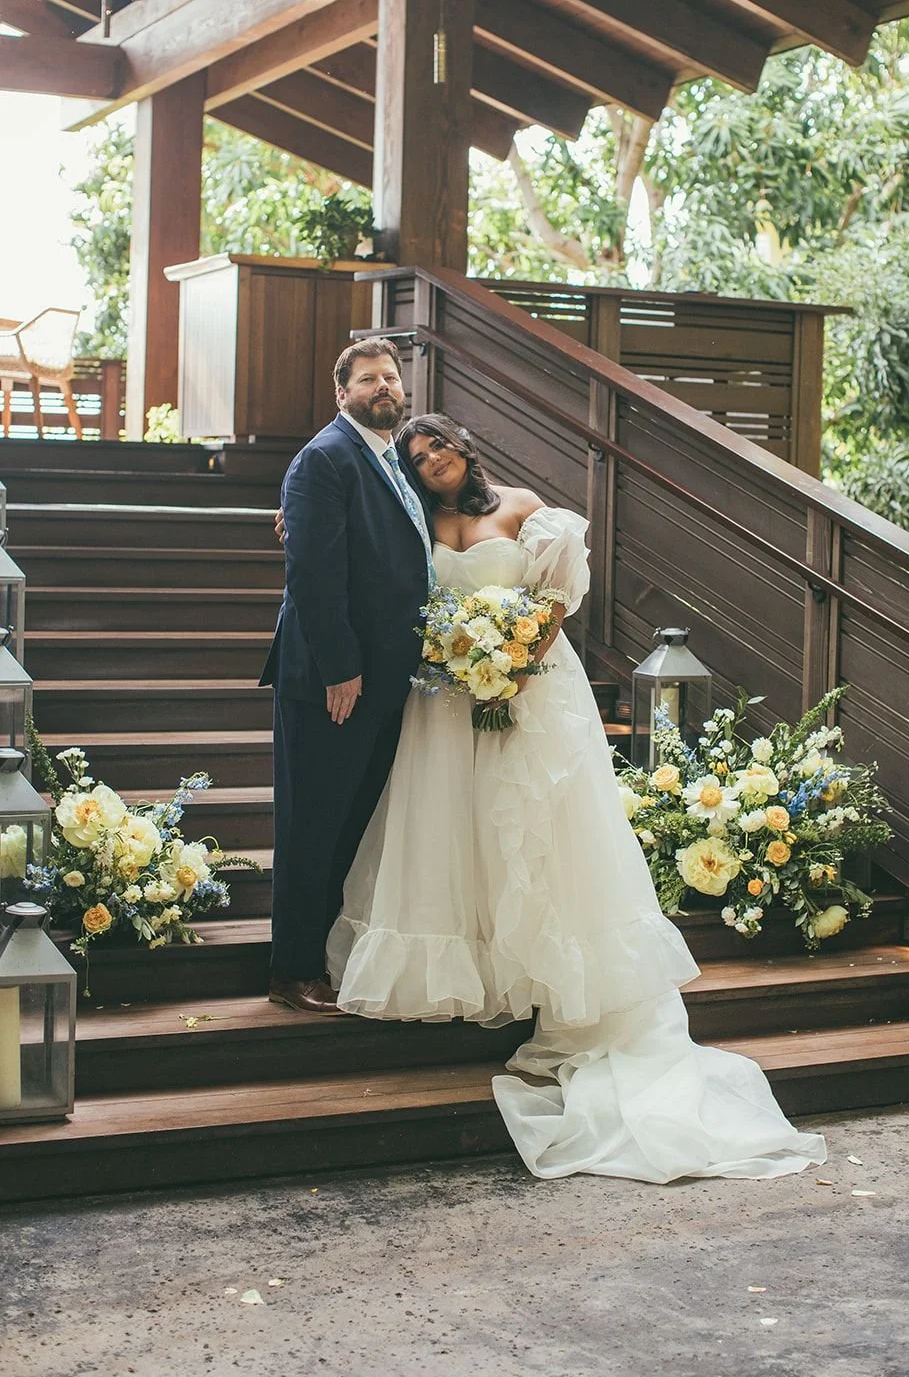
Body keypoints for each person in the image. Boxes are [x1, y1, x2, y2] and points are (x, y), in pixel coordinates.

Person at [326, 413, 827, 1184]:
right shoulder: (408, 522)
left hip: (530, 692)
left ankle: (561, 978)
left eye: (441, 447)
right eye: (417, 456)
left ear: (466, 447)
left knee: (538, 830)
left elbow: (555, 598)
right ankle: (479, 965)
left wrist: (514, 663)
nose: (433, 462)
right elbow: (374, 570)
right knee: (450, 828)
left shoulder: (525, 508)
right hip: (445, 701)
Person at [261, 339, 433, 1013]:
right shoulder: (324, 458)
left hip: (385, 681)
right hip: (332, 681)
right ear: (342, 394)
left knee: (352, 824)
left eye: (390, 376)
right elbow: (313, 574)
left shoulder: (397, 462)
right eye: (367, 379)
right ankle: (291, 970)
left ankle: (325, 958)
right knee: (312, 825)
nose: (382, 386)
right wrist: (341, 670)